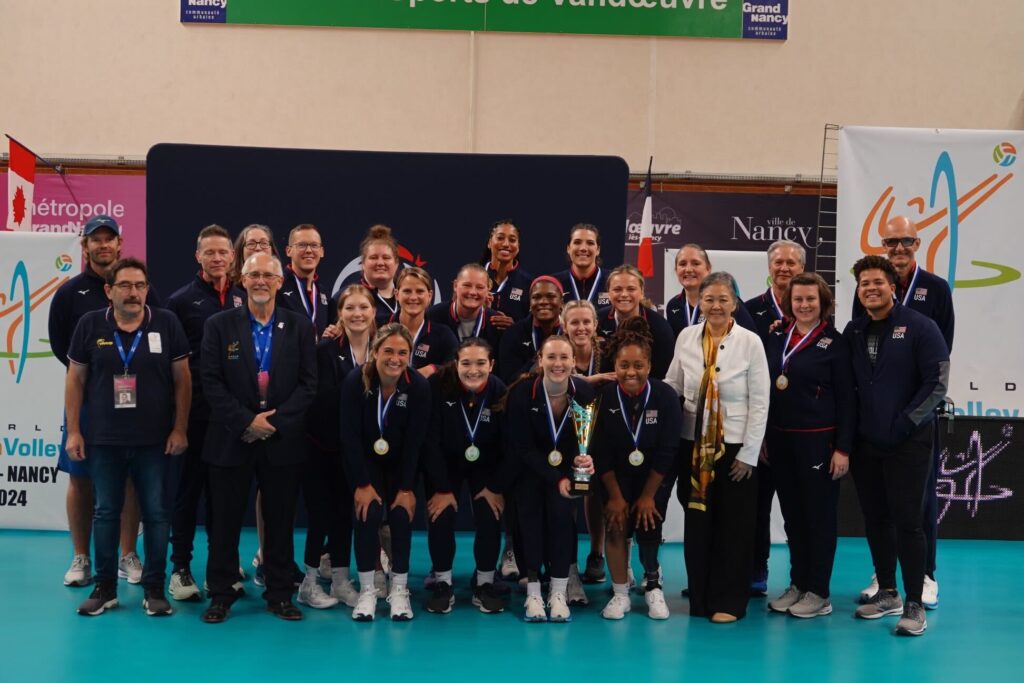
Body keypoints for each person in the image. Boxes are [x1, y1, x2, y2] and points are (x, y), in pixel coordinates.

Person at [64, 257, 190, 616]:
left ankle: (153, 588)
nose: (133, 293)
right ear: (109, 291)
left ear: (147, 289)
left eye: (139, 286)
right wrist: (74, 430)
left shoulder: (166, 323)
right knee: (105, 512)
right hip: (104, 439)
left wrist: (180, 427)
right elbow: (75, 380)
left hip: (155, 439)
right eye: (125, 286)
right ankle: (105, 587)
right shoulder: (90, 325)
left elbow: (183, 380)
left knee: (156, 512)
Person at [199, 252, 317, 623]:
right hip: (232, 438)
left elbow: (308, 384)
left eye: (269, 275)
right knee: (225, 521)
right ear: (242, 280)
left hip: (281, 442)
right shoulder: (219, 325)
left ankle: (280, 593)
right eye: (254, 275)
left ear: (280, 282)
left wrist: (273, 423)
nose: (261, 281)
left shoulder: (299, 326)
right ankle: (221, 592)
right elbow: (211, 382)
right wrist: (247, 421)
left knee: (280, 521)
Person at [845, 255, 949, 637]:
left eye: (878, 282)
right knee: (876, 520)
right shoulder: (854, 331)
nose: (871, 288)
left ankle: (914, 602)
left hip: (909, 442)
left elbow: (936, 384)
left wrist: (905, 423)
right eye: (864, 284)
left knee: (909, 522)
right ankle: (886, 592)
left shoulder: (922, 327)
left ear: (893, 287)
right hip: (866, 444)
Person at [48, 214, 147, 588]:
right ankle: (81, 557)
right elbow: (63, 349)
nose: (103, 245)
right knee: (81, 477)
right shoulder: (69, 294)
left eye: (109, 239)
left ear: (120, 244)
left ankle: (127, 555)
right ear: (84, 244)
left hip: (134, 402)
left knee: (130, 481)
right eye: (96, 240)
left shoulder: (135, 288)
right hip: (89, 403)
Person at [665, 272, 769, 623]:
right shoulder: (686, 337)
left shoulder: (750, 342)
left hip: (735, 446)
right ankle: (700, 596)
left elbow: (761, 401)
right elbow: (672, 384)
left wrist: (749, 453)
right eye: (709, 299)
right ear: (700, 302)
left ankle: (729, 601)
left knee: (734, 527)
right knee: (698, 523)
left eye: (723, 299)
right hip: (692, 445)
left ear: (735, 303)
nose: (716, 306)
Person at [764, 273, 854, 618]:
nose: (803, 305)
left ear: (823, 303)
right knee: (793, 518)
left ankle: (819, 591)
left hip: (819, 443)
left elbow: (848, 400)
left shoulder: (836, 342)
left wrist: (843, 448)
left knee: (819, 518)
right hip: (780, 441)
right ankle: (798, 583)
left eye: (810, 300)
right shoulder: (776, 338)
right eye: (798, 299)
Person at [166, 224, 246, 602]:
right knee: (188, 492)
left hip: (232, 417)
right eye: (210, 252)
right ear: (198, 256)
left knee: (224, 497)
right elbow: (171, 363)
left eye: (223, 252)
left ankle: (224, 566)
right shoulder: (181, 301)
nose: (217, 258)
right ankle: (180, 567)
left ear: (233, 257)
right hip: (195, 415)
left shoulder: (245, 297)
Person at [593, 319, 682, 621]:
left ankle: (653, 584)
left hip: (655, 476)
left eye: (638, 365)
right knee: (616, 522)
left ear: (650, 365)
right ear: (614, 365)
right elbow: (600, 450)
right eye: (624, 365)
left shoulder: (665, 396)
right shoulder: (604, 397)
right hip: (614, 474)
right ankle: (620, 593)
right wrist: (615, 497)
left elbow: (669, 450)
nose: (631, 372)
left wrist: (647, 496)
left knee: (648, 521)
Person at [341, 324, 431, 622]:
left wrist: (407, 488)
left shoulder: (418, 386)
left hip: (400, 467)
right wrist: (362, 484)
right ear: (375, 352)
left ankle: (400, 590)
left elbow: (416, 442)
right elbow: (349, 437)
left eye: (402, 352)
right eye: (388, 351)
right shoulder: (357, 381)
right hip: (366, 465)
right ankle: (367, 590)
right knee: (367, 514)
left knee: (401, 517)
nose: (395, 358)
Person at [505, 335, 596, 622]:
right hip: (529, 469)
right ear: (540, 360)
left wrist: (586, 461)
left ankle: (558, 592)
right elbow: (522, 447)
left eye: (564, 358)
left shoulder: (584, 393)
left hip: (566, 473)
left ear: (573, 362)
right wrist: (556, 477)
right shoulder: (522, 393)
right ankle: (533, 590)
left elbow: (588, 441)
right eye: (552, 357)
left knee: (561, 518)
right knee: (529, 520)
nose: (558, 364)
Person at [298, 285, 376, 610]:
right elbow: (323, 400)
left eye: (363, 308)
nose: (357, 314)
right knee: (320, 516)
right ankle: (309, 583)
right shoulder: (326, 349)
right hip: (322, 448)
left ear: (373, 313)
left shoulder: (382, 350)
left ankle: (342, 580)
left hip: (358, 451)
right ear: (340, 314)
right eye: (350, 308)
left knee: (347, 515)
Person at [422, 339, 511, 615]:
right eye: (466, 363)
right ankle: (442, 583)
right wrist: (442, 488)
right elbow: (430, 441)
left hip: (485, 464)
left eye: (481, 363)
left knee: (489, 513)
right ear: (456, 364)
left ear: (491, 365)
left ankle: (484, 583)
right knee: (441, 514)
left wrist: (495, 486)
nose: (474, 370)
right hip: (445, 462)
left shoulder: (500, 391)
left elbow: (510, 446)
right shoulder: (437, 386)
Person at [743, 238, 806, 596]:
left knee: (797, 510)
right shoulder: (750, 310)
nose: (784, 268)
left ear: (802, 268)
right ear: (769, 268)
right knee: (757, 508)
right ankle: (756, 570)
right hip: (760, 428)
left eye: (791, 263)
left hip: (799, 428)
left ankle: (803, 576)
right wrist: (757, 432)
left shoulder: (813, 310)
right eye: (778, 263)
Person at [561, 299, 616, 588]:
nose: (580, 328)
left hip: (603, 435)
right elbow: (540, 377)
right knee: (568, 495)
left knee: (596, 495)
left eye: (586, 322)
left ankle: (597, 554)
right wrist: (589, 380)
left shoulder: (607, 351)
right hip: (565, 437)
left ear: (595, 324)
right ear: (564, 325)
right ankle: (566, 563)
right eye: (574, 322)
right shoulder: (556, 351)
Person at [596, 265, 675, 380]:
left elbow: (663, 374)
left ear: (642, 292)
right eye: (617, 289)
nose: (624, 294)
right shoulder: (597, 321)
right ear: (608, 293)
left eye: (631, 289)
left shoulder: (660, 327)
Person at [664, 243, 757, 337]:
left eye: (695, 263)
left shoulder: (728, 302)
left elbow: (750, 340)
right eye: (682, 264)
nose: (688, 269)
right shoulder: (673, 306)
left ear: (708, 268)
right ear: (676, 270)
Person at [381, 267, 458, 378]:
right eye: (407, 291)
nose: (413, 297)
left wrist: (433, 369)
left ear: (430, 296)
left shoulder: (442, 334)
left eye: (420, 291)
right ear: (397, 294)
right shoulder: (380, 326)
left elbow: (457, 366)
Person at [426, 263, 504, 356]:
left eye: (480, 287)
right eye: (467, 285)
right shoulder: (433, 316)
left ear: (488, 290)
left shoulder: (497, 323)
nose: (472, 292)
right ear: (455, 285)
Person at [498, 276, 565, 384]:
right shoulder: (512, 334)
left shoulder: (570, 334)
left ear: (561, 302)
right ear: (530, 302)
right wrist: (535, 364)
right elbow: (508, 380)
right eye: (536, 297)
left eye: (551, 296)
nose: (543, 302)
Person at [278, 223, 334, 340]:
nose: (309, 250)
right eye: (302, 245)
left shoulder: (324, 293)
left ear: (322, 251)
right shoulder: (277, 286)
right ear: (288, 251)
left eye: (314, 245)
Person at [338, 224, 402, 319]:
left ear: (396, 263)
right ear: (363, 263)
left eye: (386, 257)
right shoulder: (345, 296)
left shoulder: (407, 295)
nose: (380, 263)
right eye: (373, 257)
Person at [481, 219, 532, 324]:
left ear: (518, 246)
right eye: (500, 238)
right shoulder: (474, 278)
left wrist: (514, 329)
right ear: (489, 243)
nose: (505, 244)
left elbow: (532, 326)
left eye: (512, 240)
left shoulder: (529, 283)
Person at [552, 223, 610, 308]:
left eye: (590, 243)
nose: (583, 248)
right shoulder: (554, 283)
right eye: (577, 242)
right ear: (568, 248)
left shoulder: (612, 281)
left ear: (598, 250)